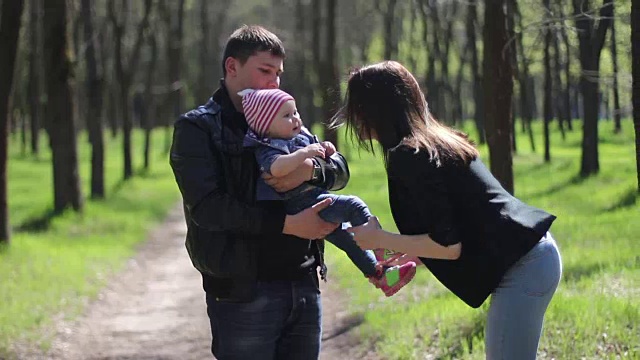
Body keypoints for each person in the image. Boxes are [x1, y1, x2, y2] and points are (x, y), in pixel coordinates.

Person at [338, 60, 562, 360]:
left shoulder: (412, 155)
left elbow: (448, 247)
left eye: (357, 106)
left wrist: (380, 239)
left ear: (376, 108)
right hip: (532, 258)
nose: (352, 116)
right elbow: (452, 226)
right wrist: (409, 255)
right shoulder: (429, 142)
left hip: (525, 267)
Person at [170, 25, 347, 360]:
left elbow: (339, 169)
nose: (274, 82)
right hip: (241, 292)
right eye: (265, 71)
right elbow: (208, 208)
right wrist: (288, 224)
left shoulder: (284, 115)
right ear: (231, 67)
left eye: (278, 74)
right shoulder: (198, 128)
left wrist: (312, 170)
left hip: (304, 283)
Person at [239, 87, 428, 297]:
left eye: (295, 112)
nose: (295, 119)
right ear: (265, 124)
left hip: (313, 198)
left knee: (349, 239)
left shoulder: (298, 136)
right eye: (286, 115)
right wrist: (306, 154)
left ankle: (384, 277)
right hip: (303, 204)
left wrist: (324, 148)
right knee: (354, 205)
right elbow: (277, 169)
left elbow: (328, 162)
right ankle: (381, 247)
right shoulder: (267, 146)